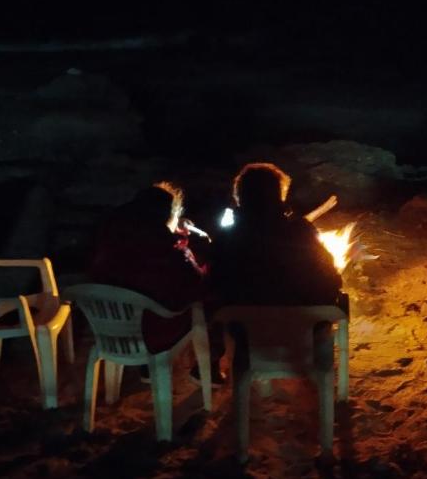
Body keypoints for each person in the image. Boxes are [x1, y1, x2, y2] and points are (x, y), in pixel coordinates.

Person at [88, 181, 223, 385]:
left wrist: (175, 232)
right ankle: (207, 367)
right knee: (209, 302)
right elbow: (197, 287)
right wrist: (202, 258)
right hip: (153, 334)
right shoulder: (171, 255)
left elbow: (146, 238)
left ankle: (146, 369)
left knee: (142, 298)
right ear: (167, 217)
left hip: (110, 330)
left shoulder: (108, 242)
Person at [209, 162, 342, 307]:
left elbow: (213, 287)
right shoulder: (302, 233)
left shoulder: (224, 240)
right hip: (299, 326)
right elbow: (332, 282)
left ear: (239, 198)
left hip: (241, 327)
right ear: (280, 197)